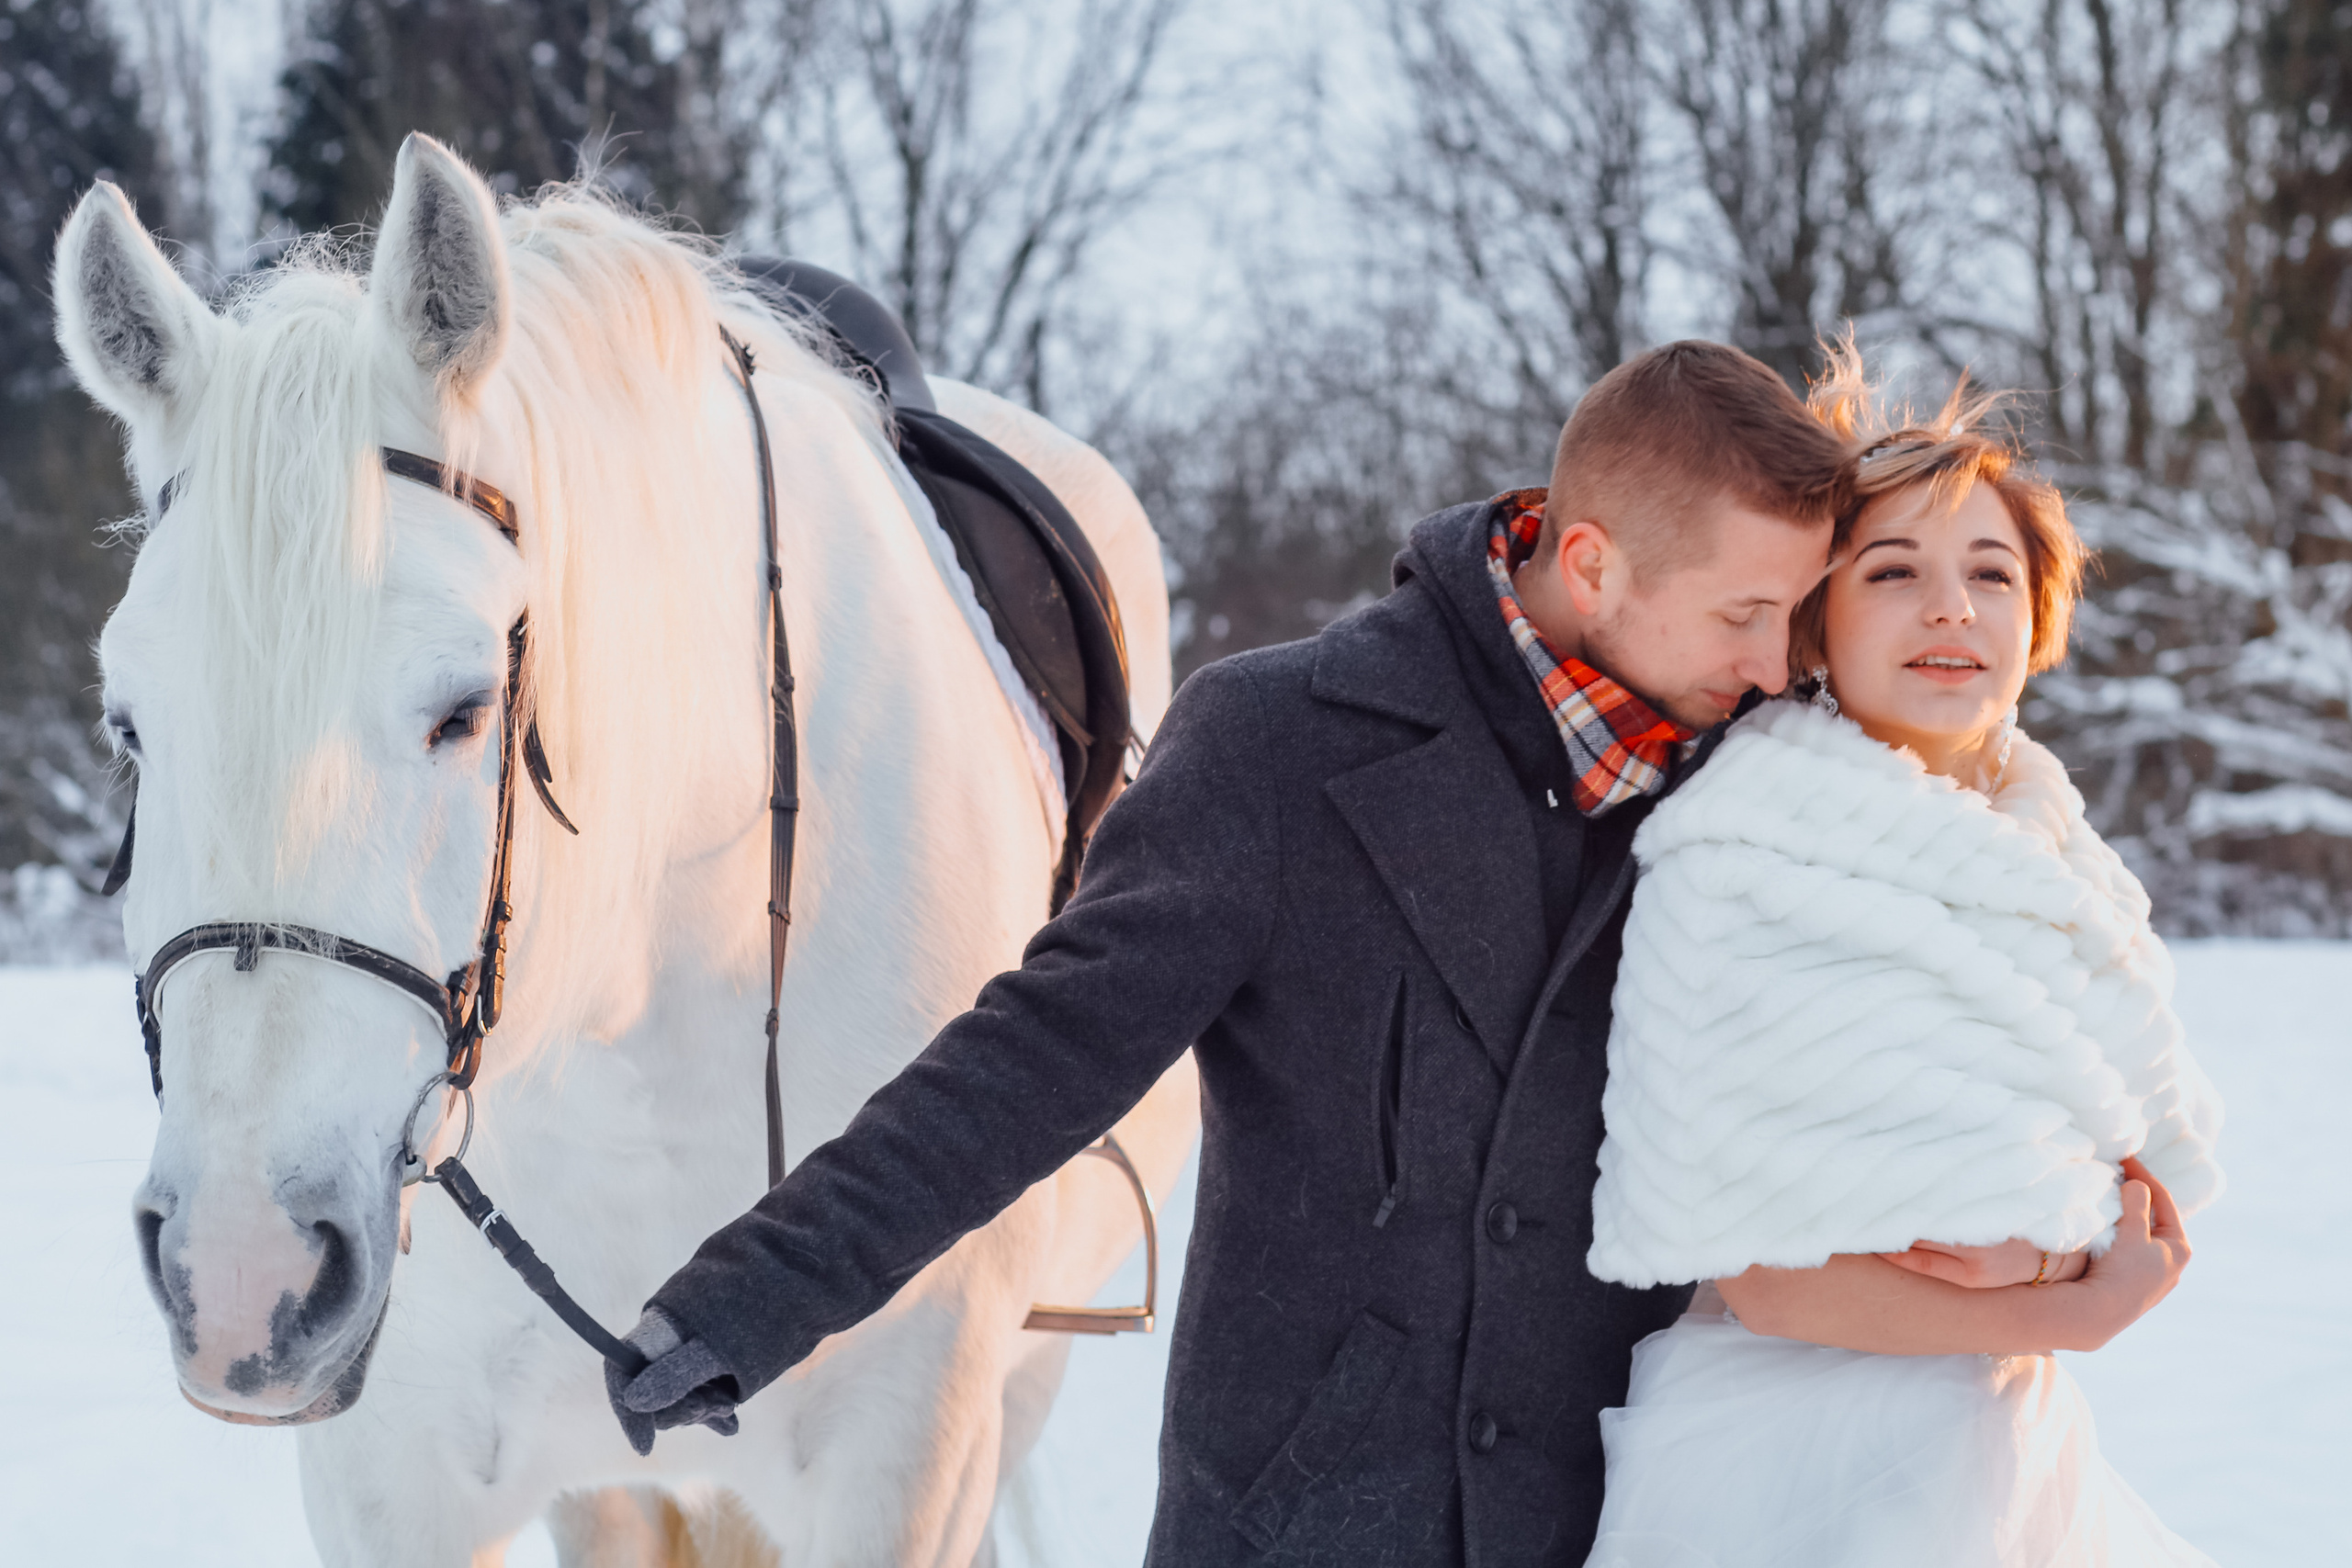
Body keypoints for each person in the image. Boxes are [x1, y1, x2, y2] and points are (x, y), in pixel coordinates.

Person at [609, 341, 2189, 1563]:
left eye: (1794, 618)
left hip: (1601, 1507)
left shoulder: (1744, 770)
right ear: (1592, 568)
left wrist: (2044, 1253)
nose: (1778, 663)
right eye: (1744, 617)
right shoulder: (1281, 744)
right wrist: (748, 1302)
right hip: (1317, 1510)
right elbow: (1030, 1063)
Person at [1579, 345, 2224, 1567]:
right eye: (1895, 571)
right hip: (1791, 1455)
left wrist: (2053, 1253)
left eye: (1991, 571)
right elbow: (1764, 1278)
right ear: (1818, 618)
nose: (1952, 607)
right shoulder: (1739, 859)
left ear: (2037, 618)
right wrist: (2072, 1306)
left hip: (2006, 1441)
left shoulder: (2053, 861)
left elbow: (2144, 1165)